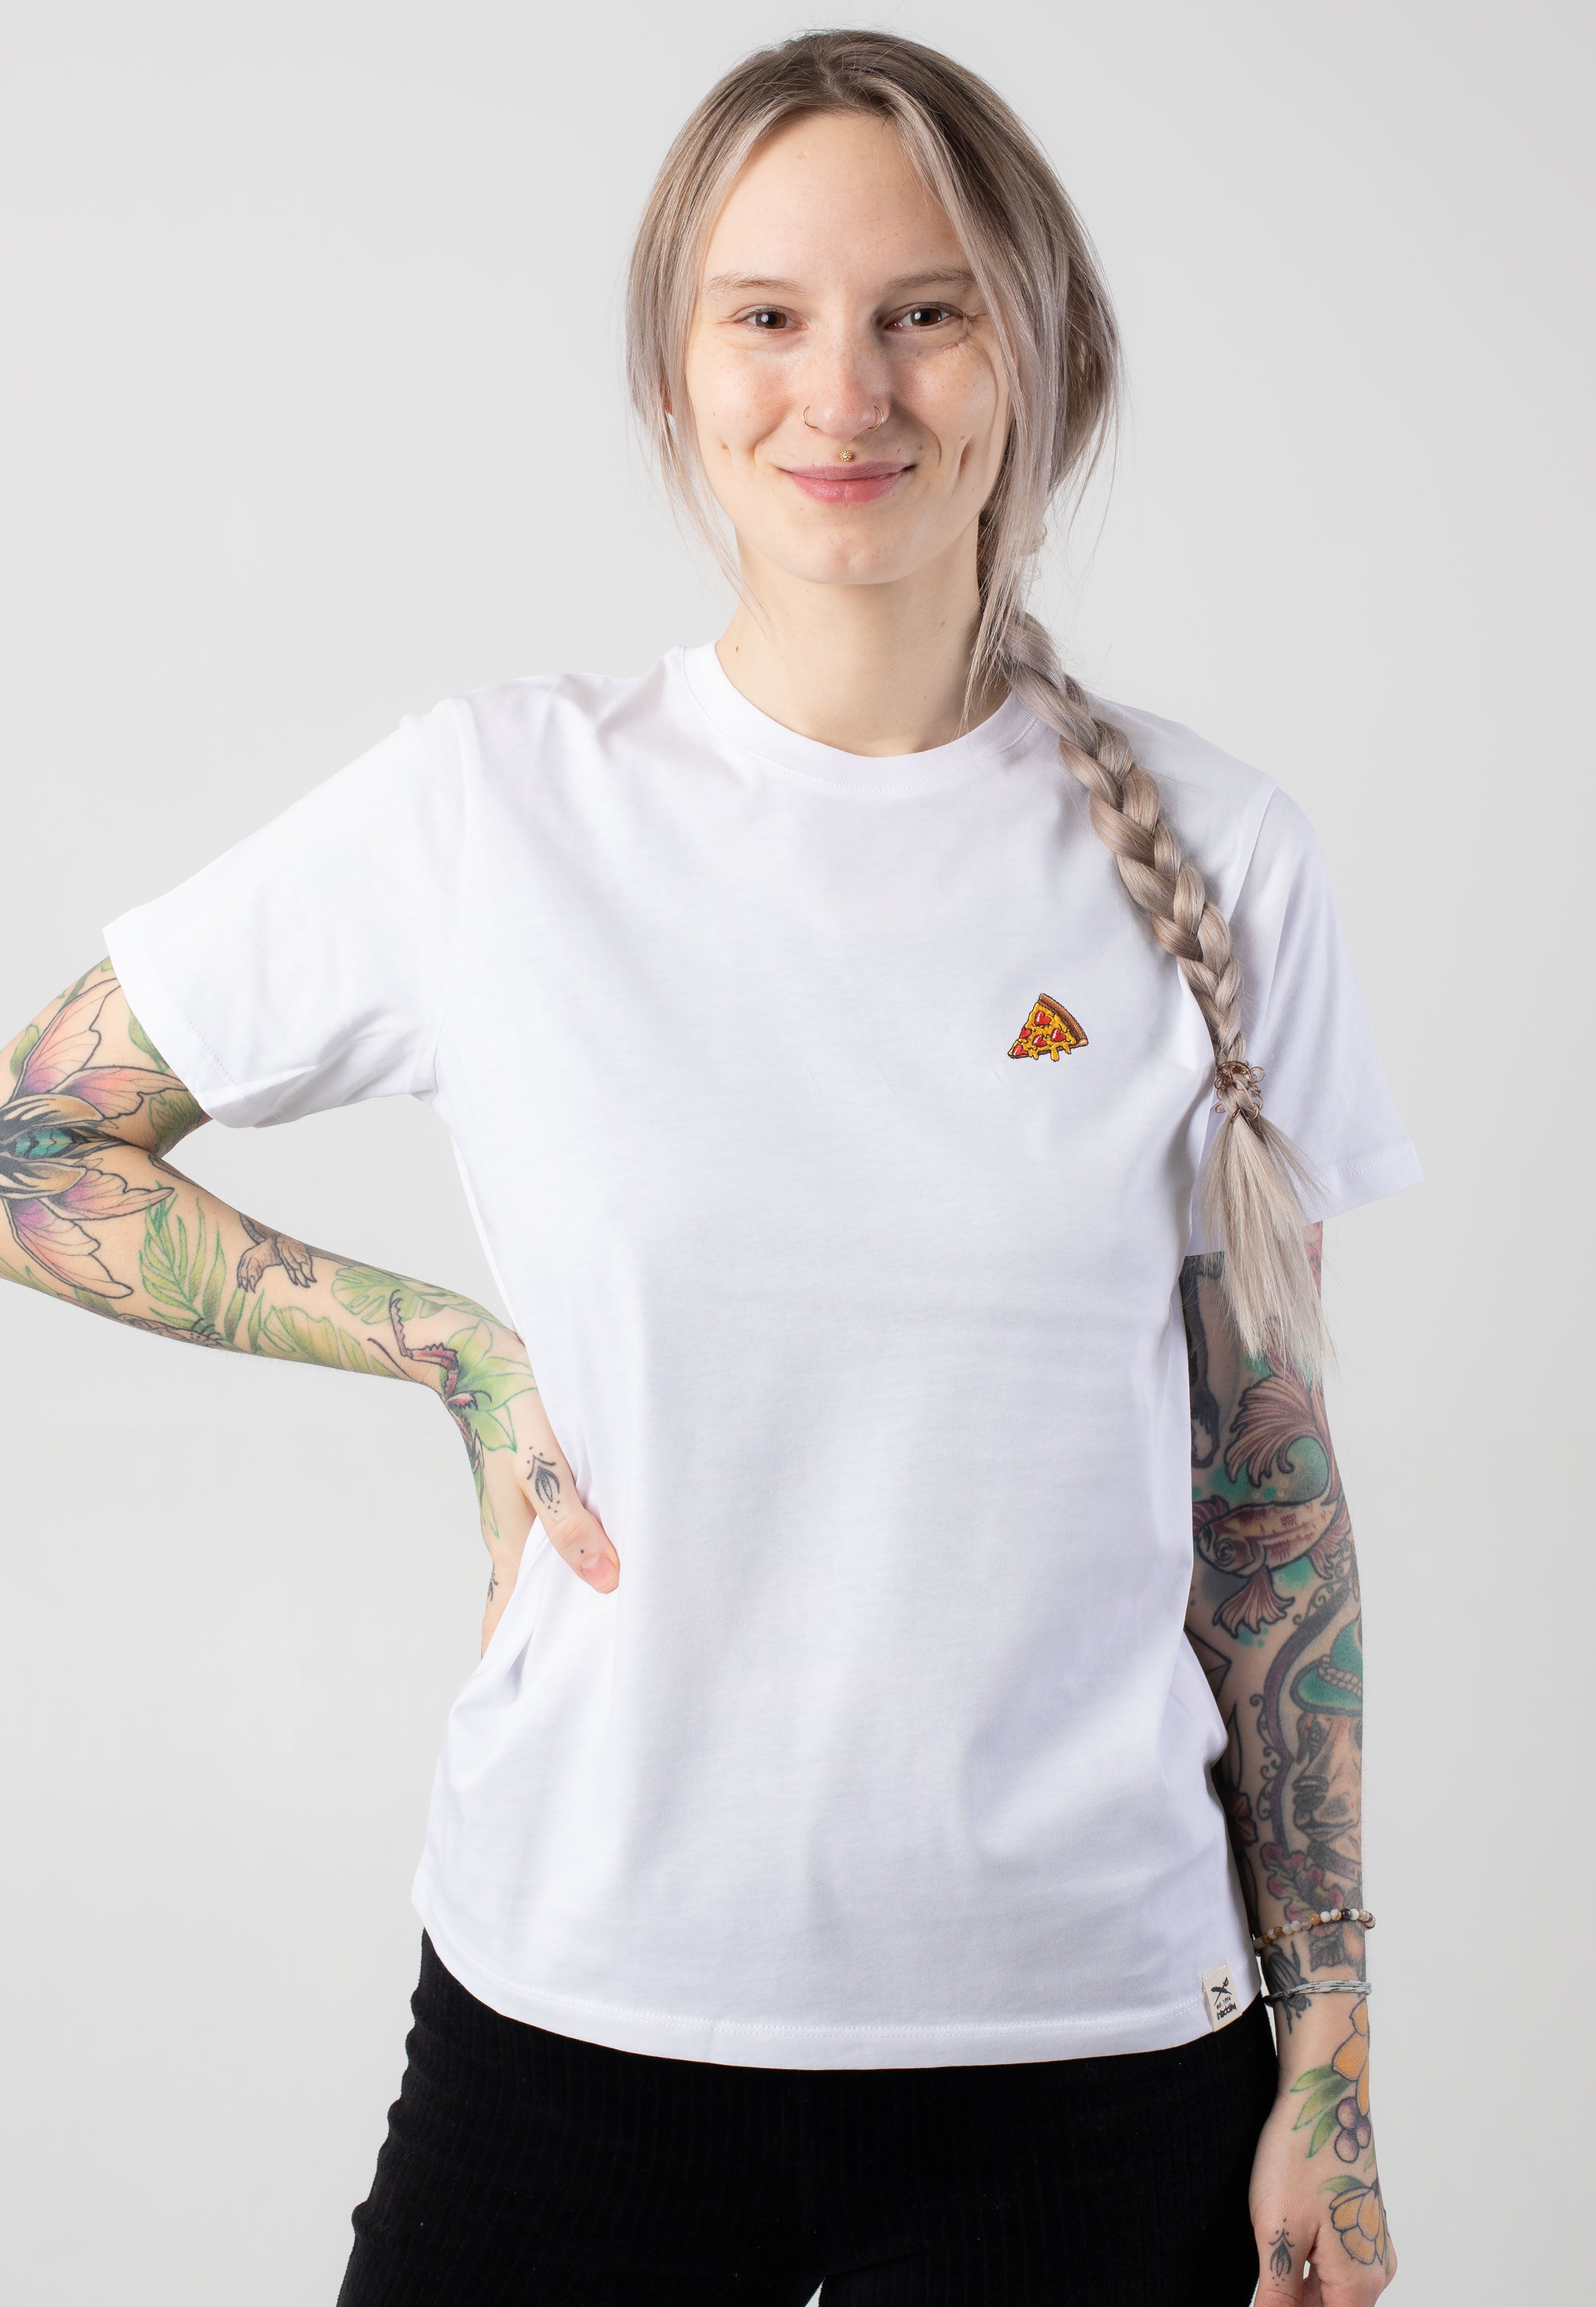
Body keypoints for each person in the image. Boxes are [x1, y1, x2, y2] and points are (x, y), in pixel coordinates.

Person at [0, 30, 1416, 2305]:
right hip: (577, 2022)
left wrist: (1330, 2040)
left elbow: (1269, 1489)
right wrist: (448, 1351)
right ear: (678, 369)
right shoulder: (491, 808)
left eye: (926, 311)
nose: (842, 390)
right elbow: (28, 1137)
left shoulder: (1226, 856)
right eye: (767, 314)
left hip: (1092, 2055)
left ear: (1041, 355)